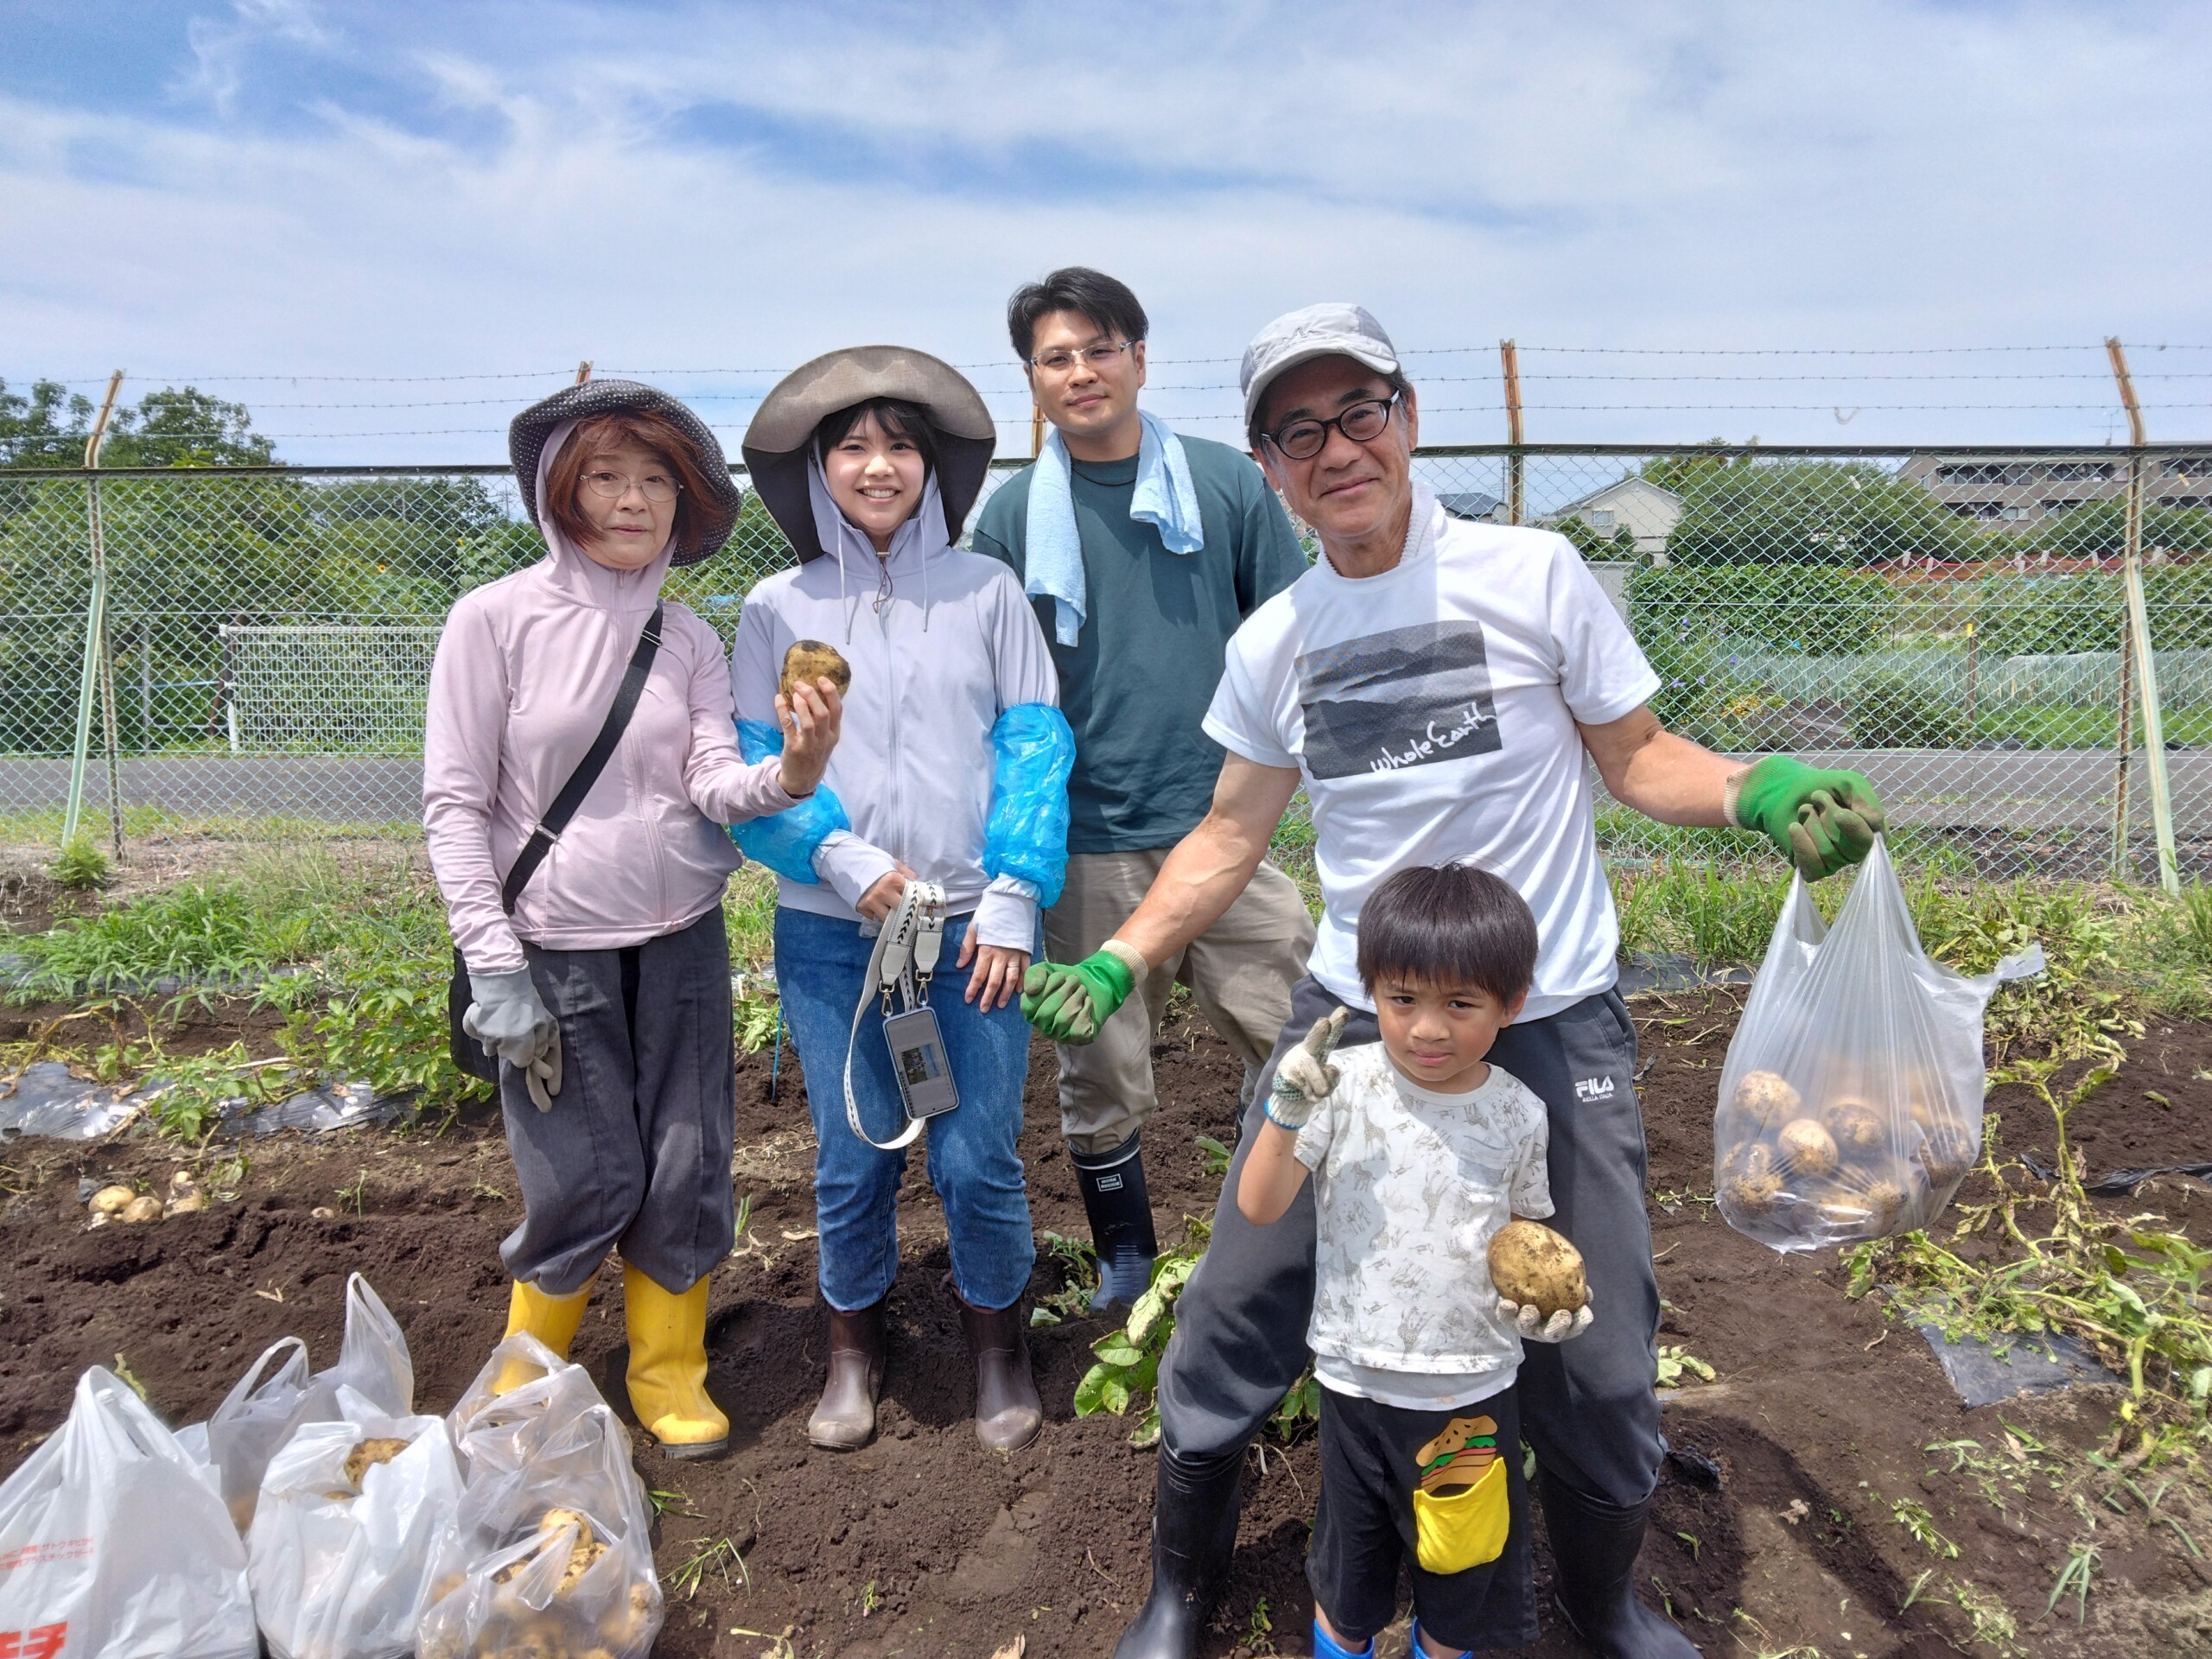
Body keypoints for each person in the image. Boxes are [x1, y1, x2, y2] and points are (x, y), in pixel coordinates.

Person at [1022, 304, 1887, 1658]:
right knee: (1239, 1293)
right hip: (1358, 1020)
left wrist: (1758, 786)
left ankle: (1603, 1601)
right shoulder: (1279, 642)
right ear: (1270, 466)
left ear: (1408, 419)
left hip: (1545, 1018)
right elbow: (1232, 832)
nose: (1337, 448)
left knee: (1591, 1336)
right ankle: (1180, 1588)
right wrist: (1123, 955)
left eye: (1359, 412)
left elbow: (1641, 754)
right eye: (1298, 431)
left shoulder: (1533, 574)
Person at [426, 379, 841, 1459]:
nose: (633, 499)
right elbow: (454, 806)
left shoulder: (686, 638)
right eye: (606, 475)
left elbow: (712, 782)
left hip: (682, 943)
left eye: (656, 479)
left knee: (691, 1159)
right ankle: (526, 1388)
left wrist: (791, 772)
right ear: (559, 493)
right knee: (577, 1174)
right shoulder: (494, 621)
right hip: (550, 951)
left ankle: (667, 1371)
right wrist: (494, 966)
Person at [732, 346, 1074, 1454]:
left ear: (934, 467)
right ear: (815, 470)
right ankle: (852, 1354)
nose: (877, 467)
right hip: (834, 932)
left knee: (977, 1150)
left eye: (900, 446)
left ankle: (996, 1349)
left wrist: (1017, 893)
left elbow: (1032, 741)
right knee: (850, 1150)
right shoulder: (777, 604)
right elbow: (755, 765)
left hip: (969, 925)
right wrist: (841, 862)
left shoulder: (983, 591)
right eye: (851, 447)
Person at [972, 267, 1313, 1310]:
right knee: (1100, 1067)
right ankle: (1127, 1258)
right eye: (1055, 358)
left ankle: (1298, 1235)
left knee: (1292, 1033)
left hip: (1225, 827)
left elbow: (1295, 634)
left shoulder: (1224, 485)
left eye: (1099, 349)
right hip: (1089, 837)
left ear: (1138, 357)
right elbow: (997, 689)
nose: (1081, 373)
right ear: (1031, 381)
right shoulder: (1015, 514)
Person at [1236, 864, 1592, 1659]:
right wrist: (1284, 1110)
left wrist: (1551, 1309)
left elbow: (1527, 1248)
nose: (1428, 1028)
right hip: (1357, 1386)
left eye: (1460, 1005)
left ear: (1512, 1005)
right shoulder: (1344, 1086)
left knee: (1462, 1576)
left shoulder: (1517, 1113)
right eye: (1403, 1000)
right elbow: (1260, 1205)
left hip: (1472, 1395)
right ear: (1372, 994)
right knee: (1348, 1582)